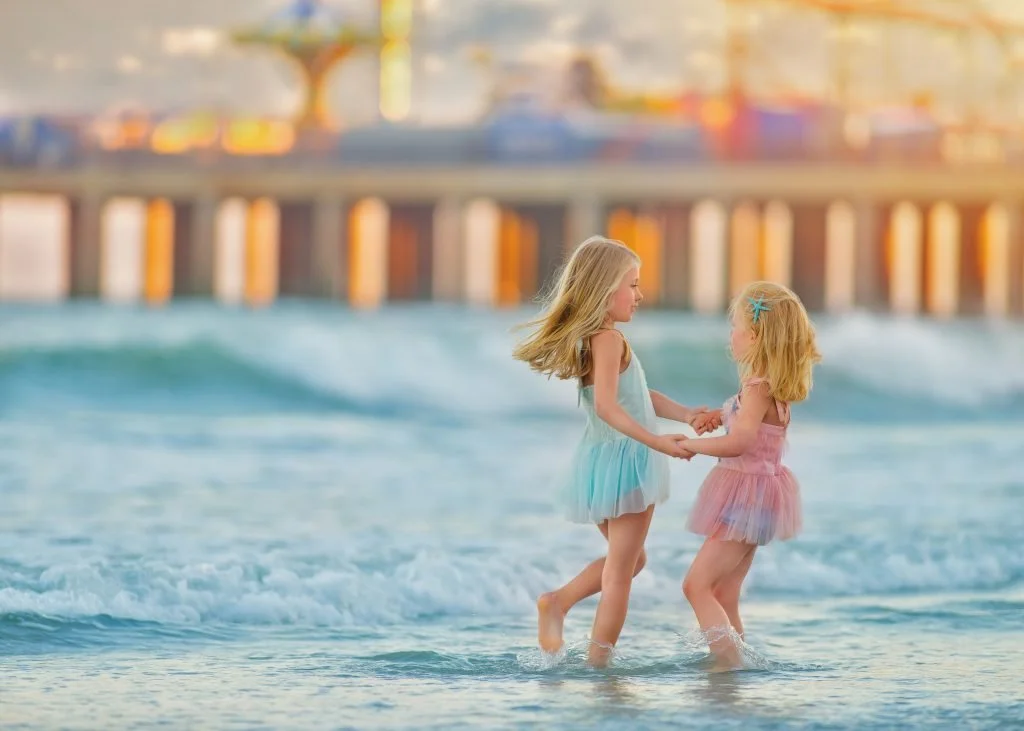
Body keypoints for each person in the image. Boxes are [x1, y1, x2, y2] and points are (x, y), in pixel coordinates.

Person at [512, 236, 705, 666]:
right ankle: (599, 664)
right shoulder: (609, 339)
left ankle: (558, 602)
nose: (640, 295)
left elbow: (639, 394)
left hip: (601, 463)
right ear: (604, 290)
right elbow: (606, 406)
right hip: (627, 462)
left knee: (632, 560)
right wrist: (657, 442)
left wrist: (687, 414)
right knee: (622, 572)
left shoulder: (598, 339)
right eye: (632, 285)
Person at [680, 281, 822, 670]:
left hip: (743, 496)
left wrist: (692, 446)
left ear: (756, 336)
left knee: (696, 586)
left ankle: (727, 666)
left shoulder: (758, 387)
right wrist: (719, 417)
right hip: (761, 497)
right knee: (725, 592)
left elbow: (740, 443)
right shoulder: (772, 388)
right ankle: (736, 665)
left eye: (736, 326)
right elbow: (749, 430)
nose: (732, 335)